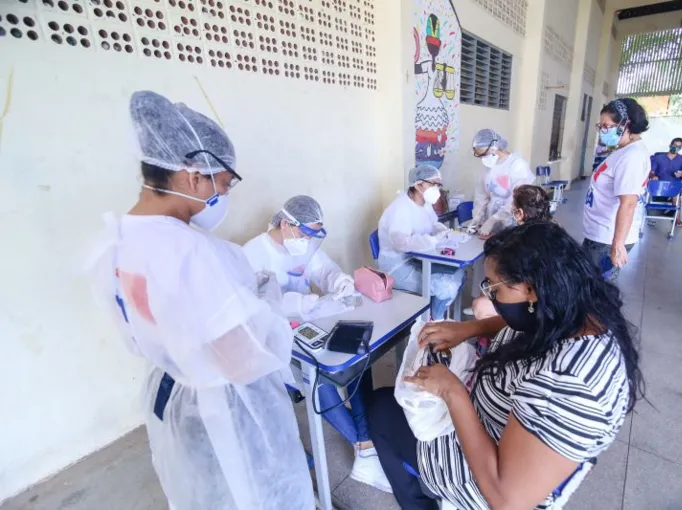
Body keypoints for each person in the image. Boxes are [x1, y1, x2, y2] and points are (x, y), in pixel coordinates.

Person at [85, 91, 314, 509]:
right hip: (223, 406)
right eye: (225, 183)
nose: (227, 194)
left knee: (203, 493)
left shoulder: (113, 243)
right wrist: (267, 311)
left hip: (172, 396)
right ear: (192, 175)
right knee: (255, 493)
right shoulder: (192, 253)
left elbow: (141, 336)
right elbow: (244, 360)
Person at [367, 222, 644, 510]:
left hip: (483, 479)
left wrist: (452, 391)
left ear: (531, 289)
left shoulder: (569, 384)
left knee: (380, 409)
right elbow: (530, 321)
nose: (489, 296)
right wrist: (472, 328)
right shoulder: (573, 308)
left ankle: (422, 500)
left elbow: (505, 500)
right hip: (492, 422)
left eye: (494, 289)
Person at [242, 196, 391, 493]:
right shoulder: (252, 254)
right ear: (287, 225)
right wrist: (304, 303)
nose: (309, 241)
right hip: (272, 339)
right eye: (307, 233)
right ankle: (362, 445)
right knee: (319, 380)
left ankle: (366, 446)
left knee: (357, 358)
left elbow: (324, 269)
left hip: (309, 324)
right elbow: (257, 306)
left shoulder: (302, 243)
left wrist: (339, 283)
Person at [377, 164, 464, 320]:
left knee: (459, 273)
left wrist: (443, 231)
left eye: (439, 185)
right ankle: (433, 324)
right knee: (446, 286)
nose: (437, 189)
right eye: (433, 184)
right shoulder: (401, 208)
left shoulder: (424, 203)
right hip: (398, 266)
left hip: (419, 258)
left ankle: (438, 313)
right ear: (418, 184)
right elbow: (401, 243)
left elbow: (432, 223)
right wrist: (433, 240)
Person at [583, 98, 650, 282]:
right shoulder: (623, 150)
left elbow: (628, 203)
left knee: (597, 291)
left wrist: (618, 244)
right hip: (599, 234)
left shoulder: (632, 156)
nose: (603, 131)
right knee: (589, 286)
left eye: (607, 126)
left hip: (606, 238)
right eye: (601, 126)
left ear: (626, 124)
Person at [469, 184, 552, 322]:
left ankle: (509, 333)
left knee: (480, 305)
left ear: (519, 213)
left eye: (512, 207)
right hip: (553, 296)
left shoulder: (524, 242)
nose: (510, 210)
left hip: (540, 302)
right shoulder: (552, 229)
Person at [468, 128, 535, 238]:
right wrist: (477, 217)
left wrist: (495, 218)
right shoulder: (488, 167)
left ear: (494, 148)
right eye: (479, 156)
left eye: (484, 154)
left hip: (513, 221)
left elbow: (518, 198)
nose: (483, 159)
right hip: (491, 222)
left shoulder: (517, 165)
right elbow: (481, 195)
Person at [650, 137, 682, 227]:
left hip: (673, 185)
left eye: (679, 146)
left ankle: (677, 218)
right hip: (659, 184)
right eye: (675, 145)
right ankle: (651, 215)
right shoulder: (659, 158)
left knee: (676, 195)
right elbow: (651, 172)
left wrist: (681, 175)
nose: (676, 148)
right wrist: (654, 176)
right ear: (670, 145)